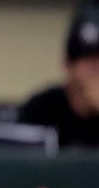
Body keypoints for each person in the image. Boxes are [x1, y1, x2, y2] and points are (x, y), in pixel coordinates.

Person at [17, 12, 99, 149]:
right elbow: (21, 164)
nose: (97, 68)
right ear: (67, 64)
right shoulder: (42, 108)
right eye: (90, 62)